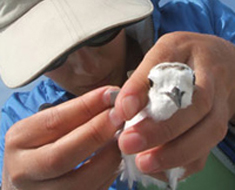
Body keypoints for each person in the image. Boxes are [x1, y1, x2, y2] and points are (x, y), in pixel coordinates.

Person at [1, 0, 235, 189]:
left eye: (98, 32)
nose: (89, 69)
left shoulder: (208, 22)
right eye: (52, 55)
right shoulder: (14, 128)